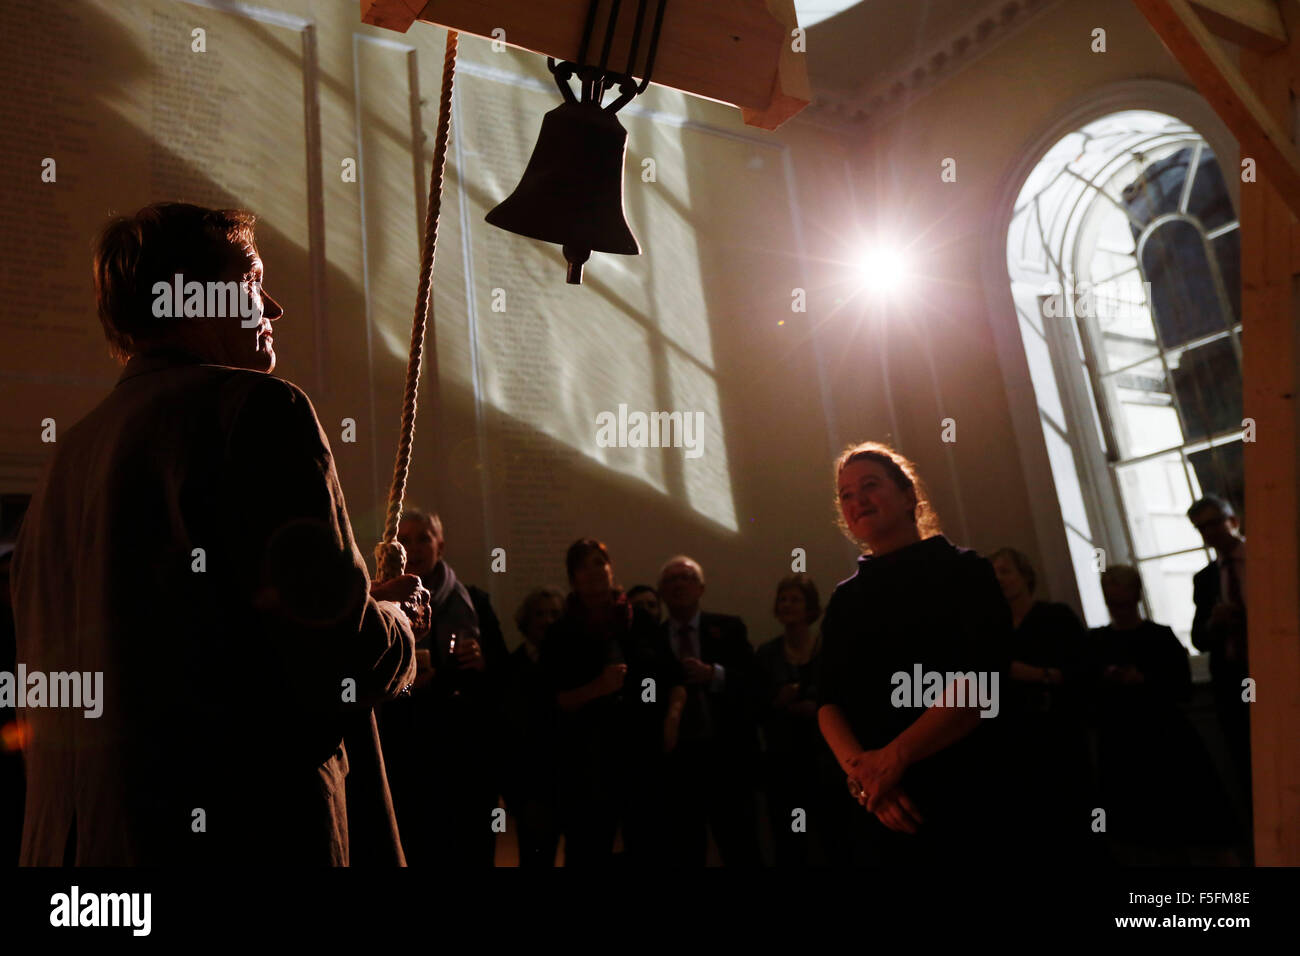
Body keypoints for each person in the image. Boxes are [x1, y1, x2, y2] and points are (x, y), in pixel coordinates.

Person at [9, 202, 426, 866]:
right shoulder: (259, 411)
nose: (275, 307)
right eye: (255, 282)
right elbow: (338, 659)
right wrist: (398, 623)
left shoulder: (69, 457)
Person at [816, 441, 1014, 866]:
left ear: (909, 496)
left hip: (965, 785)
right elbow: (827, 699)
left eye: (869, 485)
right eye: (846, 494)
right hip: (881, 802)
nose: (857, 500)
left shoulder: (965, 571)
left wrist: (893, 760)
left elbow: (979, 683)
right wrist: (866, 778)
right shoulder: (845, 598)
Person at [540, 539, 684, 866]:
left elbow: (675, 678)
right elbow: (553, 702)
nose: (593, 571)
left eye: (599, 562)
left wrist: (672, 721)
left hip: (643, 755)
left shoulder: (641, 622)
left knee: (648, 845)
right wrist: (597, 688)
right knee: (589, 847)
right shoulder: (561, 633)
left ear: (611, 568)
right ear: (572, 577)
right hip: (587, 763)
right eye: (583, 565)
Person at [379, 508, 508, 867]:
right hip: (408, 753)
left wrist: (483, 663)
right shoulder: (383, 606)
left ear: (441, 545)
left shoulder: (474, 602)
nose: (414, 547)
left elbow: (502, 676)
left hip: (465, 754)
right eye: (404, 540)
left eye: (424, 538)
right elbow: (373, 688)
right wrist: (406, 686)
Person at [1090, 565, 1238, 864]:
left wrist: (1142, 679)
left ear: (1136, 597)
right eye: (1112, 602)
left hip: (1161, 740)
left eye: (1121, 602)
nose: (1117, 608)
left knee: (1183, 823)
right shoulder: (1099, 642)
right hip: (1128, 742)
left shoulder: (1156, 637)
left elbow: (1181, 687)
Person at [990, 547, 1094, 862]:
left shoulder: (1056, 617)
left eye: (1006, 571)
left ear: (1025, 575)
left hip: (1059, 734)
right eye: (993, 574)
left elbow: (1084, 672)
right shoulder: (992, 632)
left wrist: (1036, 675)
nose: (1000, 579)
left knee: (1073, 820)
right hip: (1013, 740)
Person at [657, 555, 762, 866]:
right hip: (677, 763)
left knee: (740, 845)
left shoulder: (728, 628)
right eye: (671, 580)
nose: (678, 584)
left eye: (686, 577)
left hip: (726, 757)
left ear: (701, 588)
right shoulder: (651, 639)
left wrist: (714, 674)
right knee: (686, 848)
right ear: (661, 591)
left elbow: (754, 685)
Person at [754, 573, 828, 867]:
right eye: (782, 599)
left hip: (824, 760)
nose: (786, 604)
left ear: (810, 608)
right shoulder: (767, 654)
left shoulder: (827, 649)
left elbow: (844, 696)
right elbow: (754, 706)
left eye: (795, 599)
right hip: (783, 765)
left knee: (830, 836)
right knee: (790, 841)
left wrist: (817, 707)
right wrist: (777, 702)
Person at [1187, 496, 1251, 809]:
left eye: (1214, 523)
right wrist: (1215, 622)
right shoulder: (1205, 578)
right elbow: (1199, 638)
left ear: (1233, 520)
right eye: (1201, 528)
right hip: (1232, 680)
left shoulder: (1268, 558)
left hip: (1276, 672)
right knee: (1247, 763)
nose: (1209, 532)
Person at [502, 587, 565, 866]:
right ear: (525, 620)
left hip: (570, 784)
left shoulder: (571, 665)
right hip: (531, 790)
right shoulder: (509, 668)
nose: (547, 621)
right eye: (540, 614)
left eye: (555, 614)